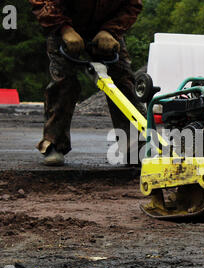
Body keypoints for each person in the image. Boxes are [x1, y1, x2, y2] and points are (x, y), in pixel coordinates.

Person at [29, 0, 146, 166]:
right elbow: (41, 2)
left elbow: (132, 5)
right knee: (64, 82)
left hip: (106, 30)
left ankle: (137, 148)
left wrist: (110, 31)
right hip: (62, 26)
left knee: (123, 82)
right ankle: (53, 144)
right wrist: (65, 29)